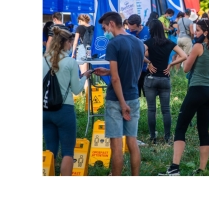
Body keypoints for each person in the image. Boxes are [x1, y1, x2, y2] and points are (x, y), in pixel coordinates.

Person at [159, 19, 209, 176]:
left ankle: (174, 167)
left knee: (181, 126)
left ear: (205, 32)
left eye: (198, 31)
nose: (196, 34)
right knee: (203, 130)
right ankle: (201, 169)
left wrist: (189, 56)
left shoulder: (198, 47)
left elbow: (186, 69)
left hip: (196, 89)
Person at [93, 11, 144, 176]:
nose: (105, 31)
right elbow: (132, 71)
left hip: (117, 100)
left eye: (104, 28)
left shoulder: (114, 44)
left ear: (111, 24)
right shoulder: (138, 43)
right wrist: (107, 71)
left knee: (116, 146)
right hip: (134, 95)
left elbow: (116, 79)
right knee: (132, 142)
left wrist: (122, 104)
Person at [43, 27, 93, 176]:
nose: (71, 45)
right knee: (67, 152)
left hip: (45, 110)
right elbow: (77, 90)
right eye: (71, 42)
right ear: (65, 43)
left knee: (50, 150)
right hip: (64, 111)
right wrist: (85, 76)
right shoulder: (70, 62)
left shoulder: (41, 59)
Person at [143, 20, 187, 145]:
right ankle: (167, 138)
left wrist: (148, 62)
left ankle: (153, 137)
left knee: (151, 109)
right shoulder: (169, 43)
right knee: (166, 110)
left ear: (151, 30)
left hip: (151, 79)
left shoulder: (148, 43)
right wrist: (171, 64)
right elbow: (184, 55)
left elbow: (137, 53)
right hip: (165, 78)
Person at [126, 14, 150, 99]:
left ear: (139, 26)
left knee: (149, 95)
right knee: (135, 95)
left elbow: (151, 50)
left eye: (133, 29)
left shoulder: (148, 32)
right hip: (133, 69)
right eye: (129, 27)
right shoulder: (127, 33)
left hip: (146, 68)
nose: (130, 30)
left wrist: (138, 53)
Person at [71, 14, 94, 91]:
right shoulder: (93, 27)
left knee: (84, 73)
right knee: (89, 72)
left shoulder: (79, 28)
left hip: (82, 50)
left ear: (80, 21)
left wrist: (73, 53)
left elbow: (75, 42)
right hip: (91, 50)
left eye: (79, 22)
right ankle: (88, 92)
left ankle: (85, 96)